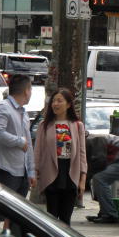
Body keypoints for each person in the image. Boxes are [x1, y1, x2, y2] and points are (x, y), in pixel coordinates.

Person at [0, 75, 36, 237]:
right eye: (31, 89)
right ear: (26, 91)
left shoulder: (23, 113)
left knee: (13, 217)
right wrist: (18, 141)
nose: (31, 93)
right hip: (6, 170)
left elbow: (29, 145)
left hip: (22, 173)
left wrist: (31, 171)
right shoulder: (3, 108)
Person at [34, 88, 87, 225]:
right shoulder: (44, 126)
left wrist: (82, 179)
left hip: (70, 173)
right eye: (53, 101)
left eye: (59, 101)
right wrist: (35, 173)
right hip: (51, 174)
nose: (55, 104)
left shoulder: (77, 126)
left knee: (66, 220)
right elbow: (37, 152)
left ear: (68, 104)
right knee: (51, 219)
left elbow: (82, 153)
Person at [85, 133, 119, 224]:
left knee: (100, 179)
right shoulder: (90, 140)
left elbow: (99, 162)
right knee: (99, 179)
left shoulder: (94, 139)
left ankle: (109, 214)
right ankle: (104, 212)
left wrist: (84, 180)